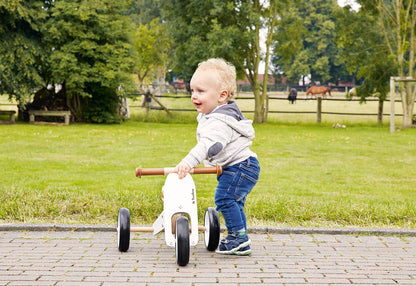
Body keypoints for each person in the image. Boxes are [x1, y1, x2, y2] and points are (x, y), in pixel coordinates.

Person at [174, 58, 260, 256]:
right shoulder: (215, 114)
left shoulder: (219, 121)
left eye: (200, 91)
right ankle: (240, 237)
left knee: (224, 198)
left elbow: (210, 145)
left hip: (240, 167)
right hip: (243, 166)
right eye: (192, 90)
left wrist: (188, 162)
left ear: (221, 96)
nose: (194, 96)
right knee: (234, 202)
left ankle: (238, 238)